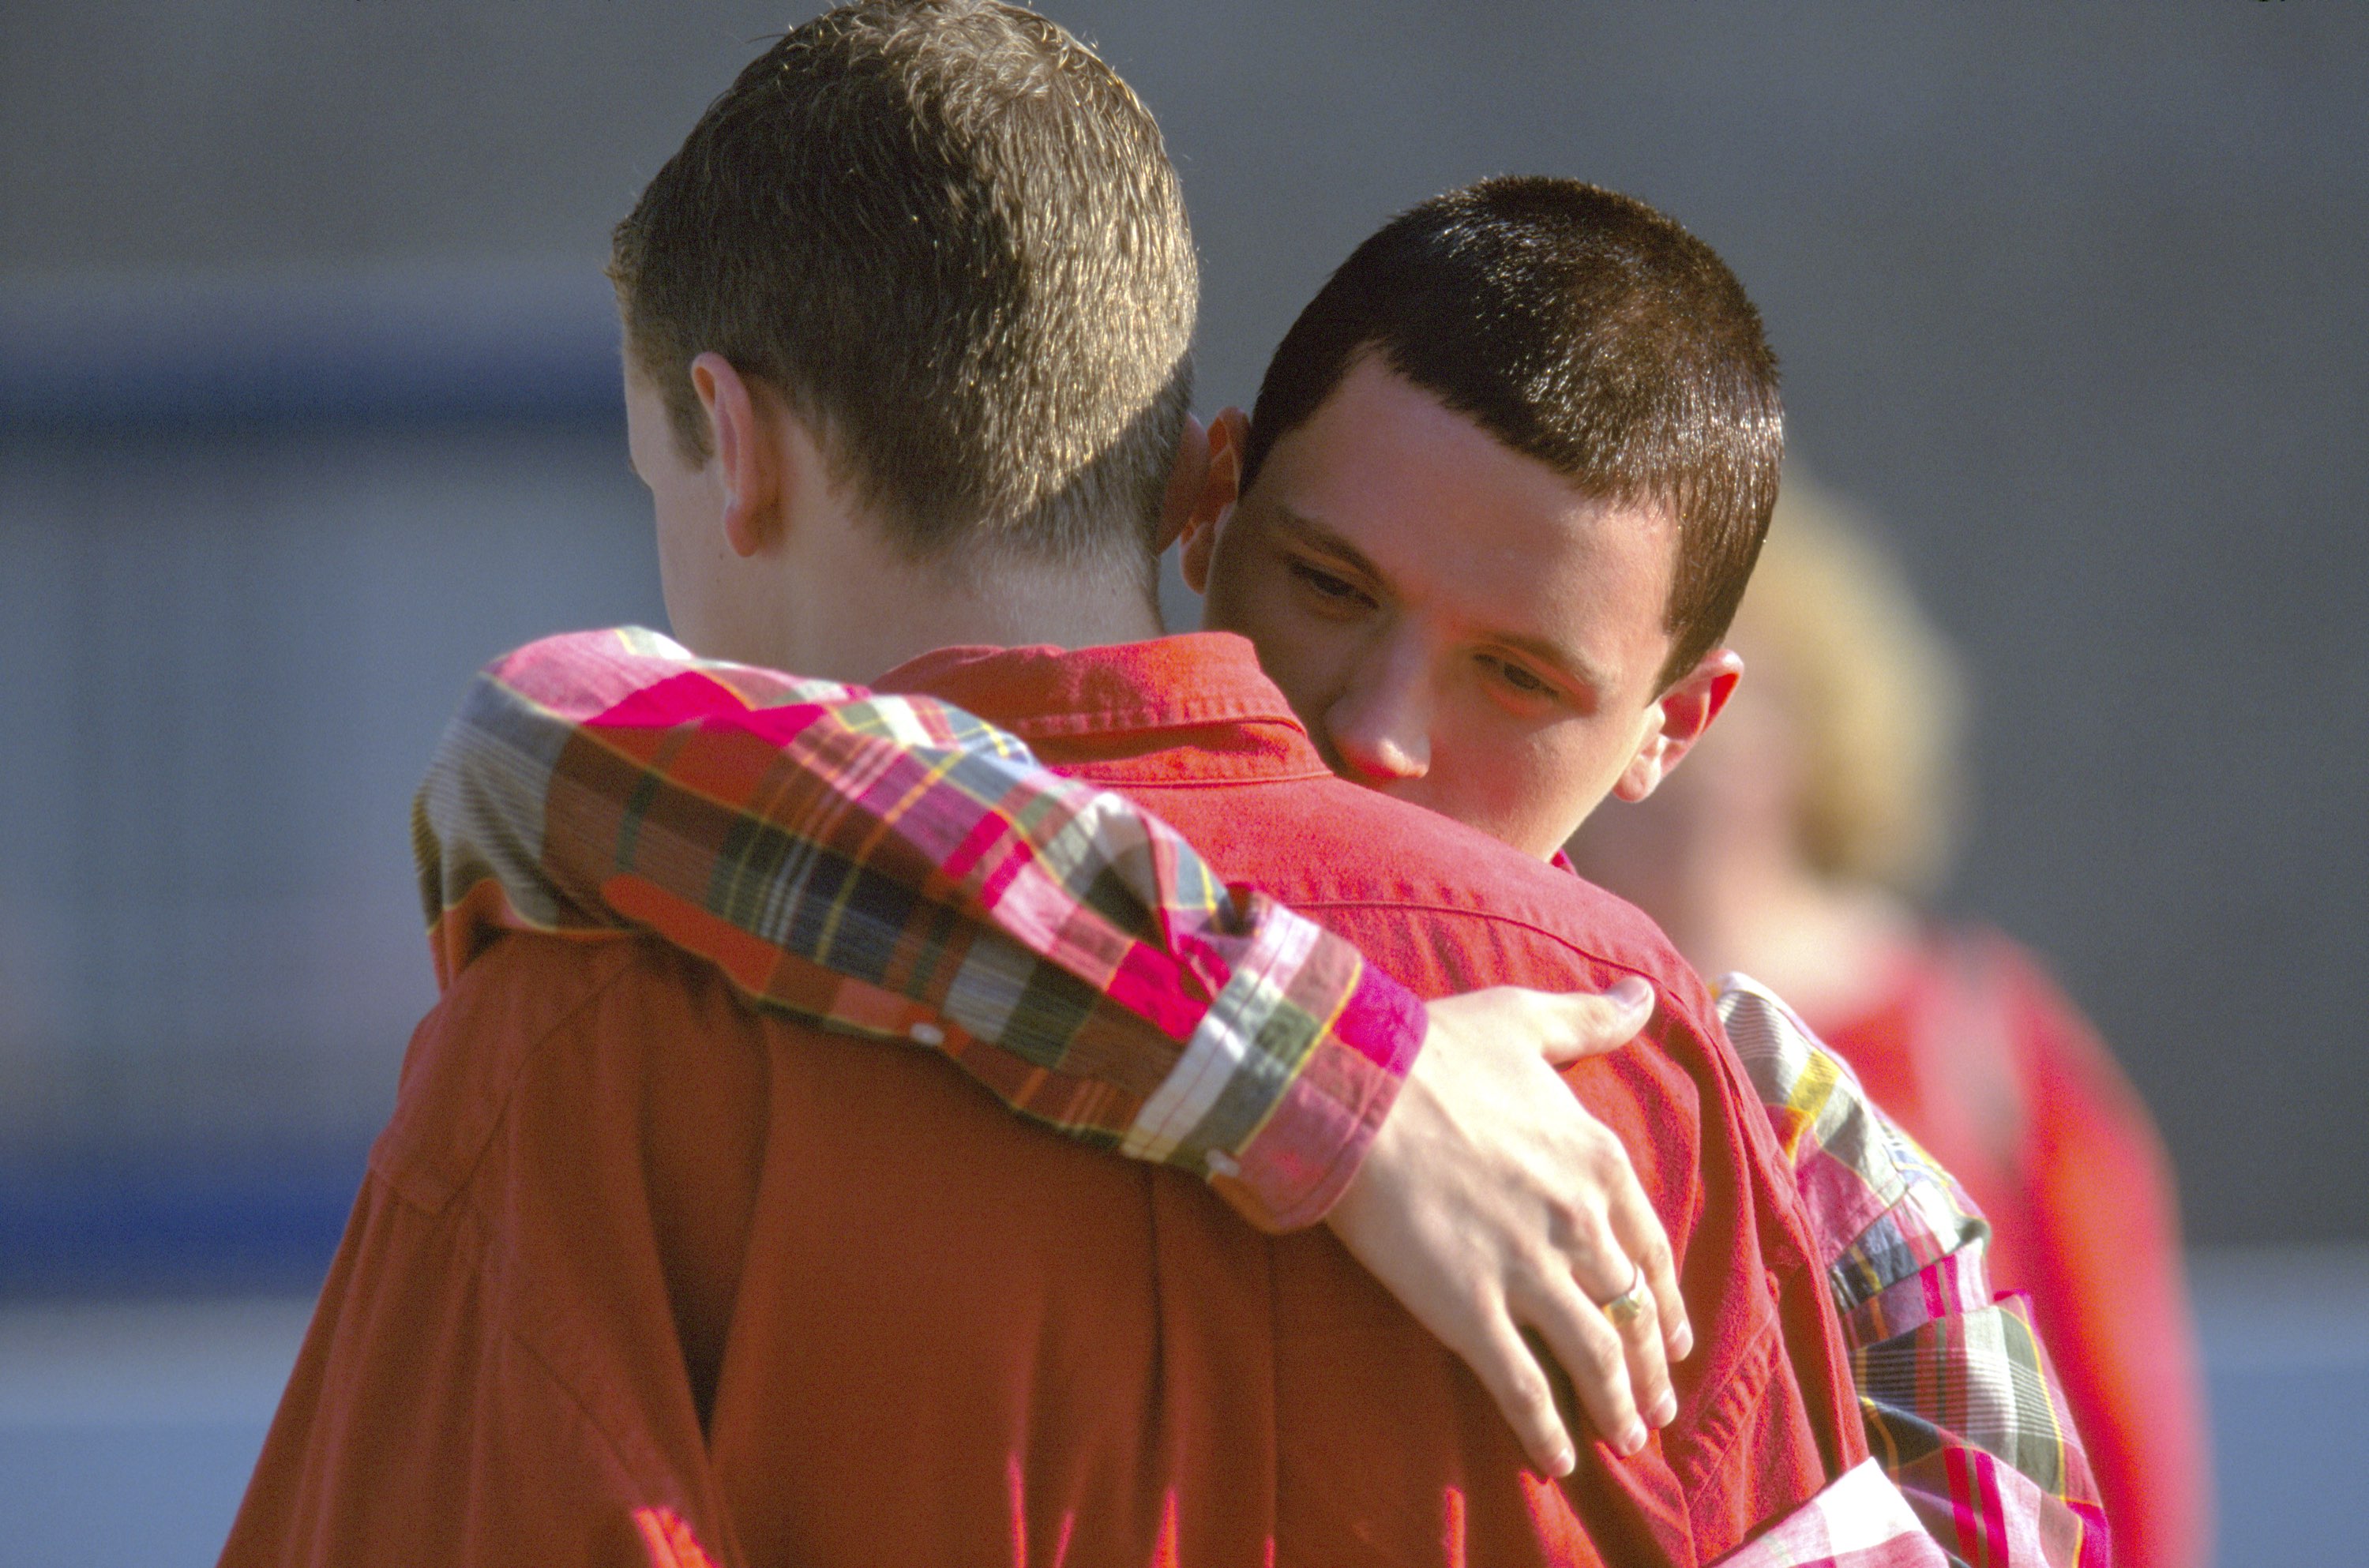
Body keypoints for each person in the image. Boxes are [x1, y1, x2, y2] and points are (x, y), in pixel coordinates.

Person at [223, 6, 2070, 1563]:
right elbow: (566, 738)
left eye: (1521, 677)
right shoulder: (1659, 1103)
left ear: (729, 441)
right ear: (1209, 498)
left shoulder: (601, 1029)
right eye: (1329, 586)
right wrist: (1351, 1079)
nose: (1383, 739)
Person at [1568, 484, 2202, 1566]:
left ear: (1812, 729)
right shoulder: (1563, 1008)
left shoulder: (1989, 1035)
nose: (1672, 730)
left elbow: (2123, 1441)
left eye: (1718, 688)